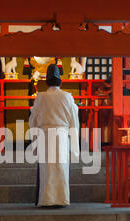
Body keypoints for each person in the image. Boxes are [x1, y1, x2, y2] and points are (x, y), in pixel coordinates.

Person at [29, 64, 79, 208]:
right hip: (62, 135)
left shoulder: (41, 97)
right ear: (60, 82)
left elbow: (33, 119)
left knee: (47, 168)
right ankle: (62, 199)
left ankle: (46, 199)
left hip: (45, 135)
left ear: (46, 82)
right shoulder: (67, 97)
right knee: (61, 167)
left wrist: (34, 139)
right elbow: (73, 121)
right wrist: (75, 145)